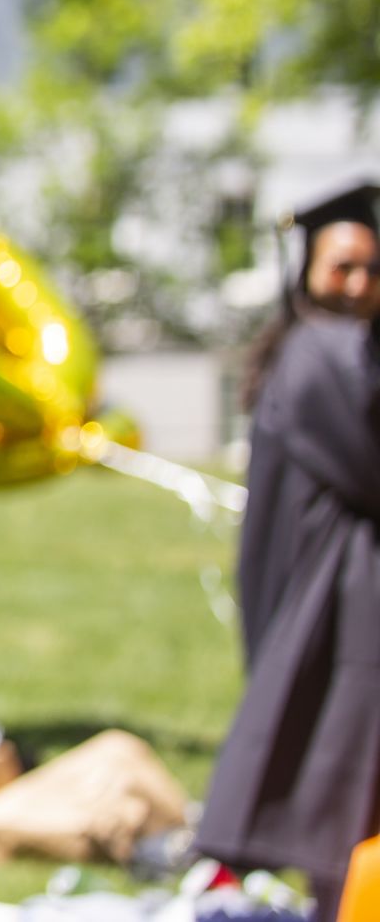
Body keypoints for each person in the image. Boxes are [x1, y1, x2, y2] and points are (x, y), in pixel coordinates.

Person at [197, 179, 380, 922]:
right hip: (341, 596)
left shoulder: (310, 348)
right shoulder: (326, 353)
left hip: (325, 587)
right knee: (346, 780)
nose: (359, 282)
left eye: (372, 267)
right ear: (306, 268)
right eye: (343, 266)